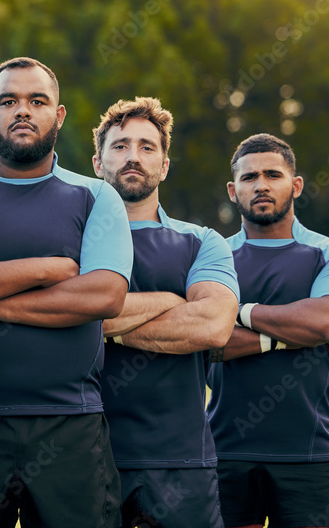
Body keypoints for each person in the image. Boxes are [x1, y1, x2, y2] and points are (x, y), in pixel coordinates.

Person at [0, 57, 132, 528]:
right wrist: (48, 271)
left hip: (70, 426)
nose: (22, 111)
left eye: (37, 100)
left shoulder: (95, 196)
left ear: (60, 114)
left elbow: (104, 296)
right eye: (8, 101)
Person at [91, 97, 238, 528]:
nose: (133, 156)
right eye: (119, 146)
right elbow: (58, 312)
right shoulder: (72, 236)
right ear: (98, 163)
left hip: (181, 459)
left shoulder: (202, 241)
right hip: (80, 457)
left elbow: (213, 324)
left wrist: (98, 322)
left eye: (146, 146)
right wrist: (171, 301)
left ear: (165, 165)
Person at [207, 133, 329, 528]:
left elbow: (327, 321)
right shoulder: (212, 257)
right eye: (249, 177)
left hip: (307, 453)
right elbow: (204, 340)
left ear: (295, 185)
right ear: (232, 190)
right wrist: (293, 331)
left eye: (272, 175)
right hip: (222, 452)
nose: (260, 185)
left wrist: (237, 312)